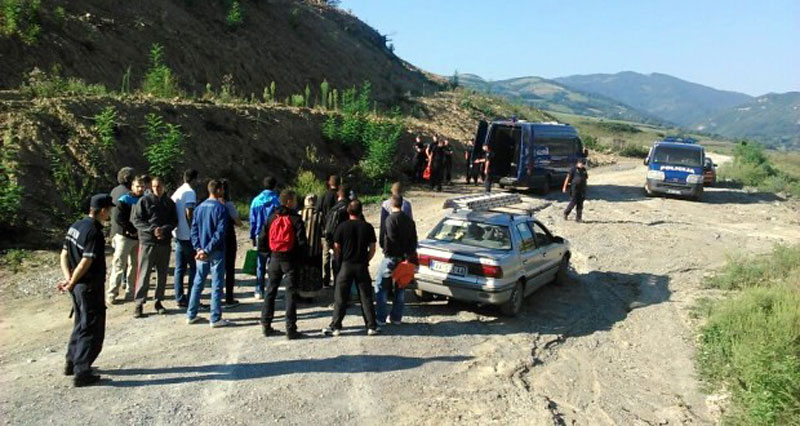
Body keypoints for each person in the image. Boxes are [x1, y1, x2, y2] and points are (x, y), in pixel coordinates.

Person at [58, 193, 114, 387]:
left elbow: (64, 255)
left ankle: (71, 362)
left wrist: (68, 279)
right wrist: (73, 281)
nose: (110, 213)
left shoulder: (76, 225)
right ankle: (82, 372)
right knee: (90, 328)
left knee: (80, 323)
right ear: (103, 210)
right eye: (109, 210)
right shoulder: (94, 232)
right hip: (89, 286)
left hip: (77, 286)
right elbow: (86, 261)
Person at [322, 200, 380, 336]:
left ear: (348, 211)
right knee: (366, 297)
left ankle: (336, 326)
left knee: (340, 297)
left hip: (346, 265)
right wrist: (366, 260)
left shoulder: (342, 227)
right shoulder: (367, 227)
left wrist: (339, 261)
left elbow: (337, 247)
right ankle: (371, 326)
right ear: (361, 211)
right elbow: (372, 248)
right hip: (361, 265)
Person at [258, 189, 307, 340]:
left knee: (270, 291)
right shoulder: (296, 219)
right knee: (290, 293)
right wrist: (300, 259)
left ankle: (266, 325)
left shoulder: (272, 217)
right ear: (289, 202)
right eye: (294, 200)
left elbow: (262, 239)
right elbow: (302, 243)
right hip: (290, 260)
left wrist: (267, 255)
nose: (296, 202)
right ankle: (290, 329)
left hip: (274, 258)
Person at [132, 176, 177, 318]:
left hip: (164, 243)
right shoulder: (144, 201)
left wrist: (164, 230)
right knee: (144, 273)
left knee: (162, 274)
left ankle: (158, 301)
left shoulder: (169, 203)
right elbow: (136, 220)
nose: (156, 189)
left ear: (164, 186)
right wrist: (152, 230)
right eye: (154, 186)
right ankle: (139, 303)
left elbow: (174, 220)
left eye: (159, 186)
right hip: (148, 242)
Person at [187, 179, 230, 327]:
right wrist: (207, 249)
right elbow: (220, 232)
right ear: (218, 190)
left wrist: (198, 248)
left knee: (198, 282)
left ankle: (191, 314)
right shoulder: (221, 208)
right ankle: (215, 318)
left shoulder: (199, 208)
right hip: (215, 250)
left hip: (201, 252)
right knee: (216, 284)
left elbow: (193, 230)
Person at [375, 195, 418, 325]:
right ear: (402, 205)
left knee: (381, 286)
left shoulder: (389, 220)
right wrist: (407, 254)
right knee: (400, 287)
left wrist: (386, 251)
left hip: (391, 257)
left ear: (390, 205)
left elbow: (386, 239)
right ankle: (396, 317)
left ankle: (381, 318)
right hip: (404, 259)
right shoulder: (410, 222)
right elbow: (414, 241)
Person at [106, 175, 145, 304]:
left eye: (142, 186)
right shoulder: (124, 200)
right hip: (124, 237)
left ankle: (131, 292)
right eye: (137, 186)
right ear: (132, 186)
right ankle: (112, 293)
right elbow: (118, 218)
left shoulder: (144, 200)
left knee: (134, 266)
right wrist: (131, 230)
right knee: (119, 265)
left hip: (138, 238)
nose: (140, 189)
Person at [249, 177, 280, 299]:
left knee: (260, 264)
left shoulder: (256, 200)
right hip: (274, 236)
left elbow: (252, 220)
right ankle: (272, 290)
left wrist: (252, 235)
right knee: (273, 264)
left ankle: (259, 289)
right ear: (274, 186)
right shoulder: (277, 201)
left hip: (260, 234)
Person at [171, 169, 198, 308]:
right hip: (187, 235)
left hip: (177, 233)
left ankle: (179, 297)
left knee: (180, 268)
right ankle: (192, 297)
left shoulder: (178, 192)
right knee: (194, 267)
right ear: (195, 179)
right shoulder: (190, 192)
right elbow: (189, 212)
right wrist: (194, 229)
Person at [109, 166, 135, 290]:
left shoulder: (114, 190)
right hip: (125, 232)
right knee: (126, 262)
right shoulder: (128, 194)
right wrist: (132, 230)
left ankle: (119, 285)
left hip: (115, 230)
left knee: (120, 261)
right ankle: (122, 285)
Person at [323, 184, 355, 282]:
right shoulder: (354, 207)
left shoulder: (335, 209)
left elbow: (329, 229)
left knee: (337, 264)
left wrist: (329, 242)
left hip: (338, 242)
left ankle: (338, 283)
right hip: (352, 241)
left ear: (338, 194)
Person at [221, 179, 243, 308]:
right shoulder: (228, 204)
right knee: (229, 269)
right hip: (229, 238)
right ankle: (229, 297)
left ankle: (217, 297)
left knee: (217, 269)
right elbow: (238, 222)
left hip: (216, 240)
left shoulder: (211, 203)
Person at [298, 194, 323, 300]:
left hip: (302, 248)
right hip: (315, 248)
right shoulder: (320, 215)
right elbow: (323, 232)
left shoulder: (300, 213)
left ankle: (301, 292)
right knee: (314, 272)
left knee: (302, 271)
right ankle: (312, 294)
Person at [319, 175, 340, 287]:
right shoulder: (340, 196)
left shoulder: (324, 196)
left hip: (326, 229)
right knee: (337, 254)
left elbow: (318, 211)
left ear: (329, 183)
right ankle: (337, 279)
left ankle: (326, 279)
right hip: (338, 230)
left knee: (326, 255)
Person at [562, 158, 588, 222]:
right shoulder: (573, 169)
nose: (582, 165)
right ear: (578, 163)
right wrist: (564, 187)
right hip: (574, 188)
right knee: (573, 202)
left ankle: (578, 218)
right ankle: (566, 213)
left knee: (580, 204)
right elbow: (567, 178)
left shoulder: (584, 170)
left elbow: (585, 178)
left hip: (582, 189)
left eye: (583, 164)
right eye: (581, 163)